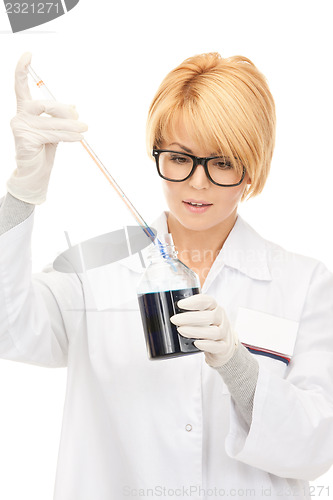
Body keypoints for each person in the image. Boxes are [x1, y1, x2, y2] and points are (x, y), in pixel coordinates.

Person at [1, 51, 333, 500]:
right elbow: (9, 326)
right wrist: (22, 191)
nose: (197, 183)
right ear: (156, 151)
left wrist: (238, 366)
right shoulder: (97, 262)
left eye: (222, 162)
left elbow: (316, 447)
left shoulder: (304, 283)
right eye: (179, 158)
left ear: (252, 167)